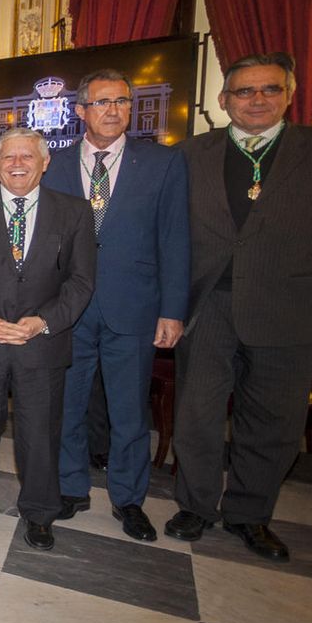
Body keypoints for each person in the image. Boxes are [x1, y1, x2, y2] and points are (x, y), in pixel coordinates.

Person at [168, 52, 312, 561]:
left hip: (286, 307)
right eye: (245, 91)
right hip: (207, 304)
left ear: (289, 95)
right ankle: (196, 505)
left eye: (269, 90)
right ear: (224, 99)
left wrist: (301, 269)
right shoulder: (191, 154)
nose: (257, 100)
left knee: (273, 418)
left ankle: (250, 515)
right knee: (197, 411)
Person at [43, 70, 189, 542]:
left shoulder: (162, 163)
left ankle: (128, 500)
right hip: (69, 308)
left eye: (121, 102)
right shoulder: (56, 164)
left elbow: (175, 238)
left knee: (129, 412)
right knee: (68, 404)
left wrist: (172, 310)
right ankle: (70, 488)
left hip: (134, 307)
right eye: (102, 102)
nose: (113, 110)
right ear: (81, 110)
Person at [0, 127, 96, 552]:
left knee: (40, 433)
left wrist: (42, 322)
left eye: (28, 157)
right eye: (9, 157)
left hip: (42, 342)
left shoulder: (75, 212)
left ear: (45, 163)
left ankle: (41, 512)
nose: (18, 165)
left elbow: (81, 282)